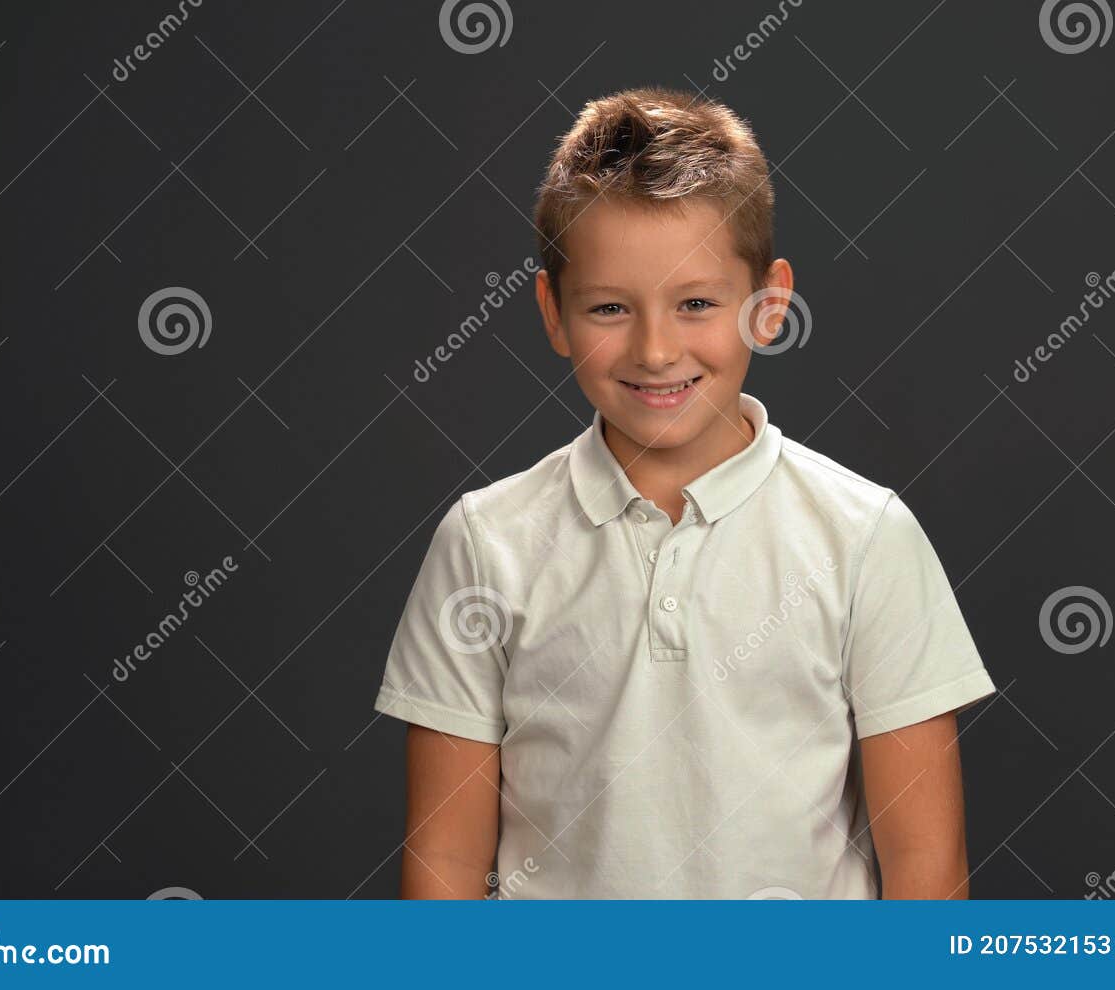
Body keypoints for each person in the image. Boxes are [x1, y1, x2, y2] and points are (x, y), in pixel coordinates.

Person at [374, 87, 996, 899]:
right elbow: (444, 870)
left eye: (696, 303)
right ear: (553, 313)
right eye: (608, 308)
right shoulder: (486, 543)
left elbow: (927, 873)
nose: (656, 349)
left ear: (769, 303)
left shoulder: (866, 536)